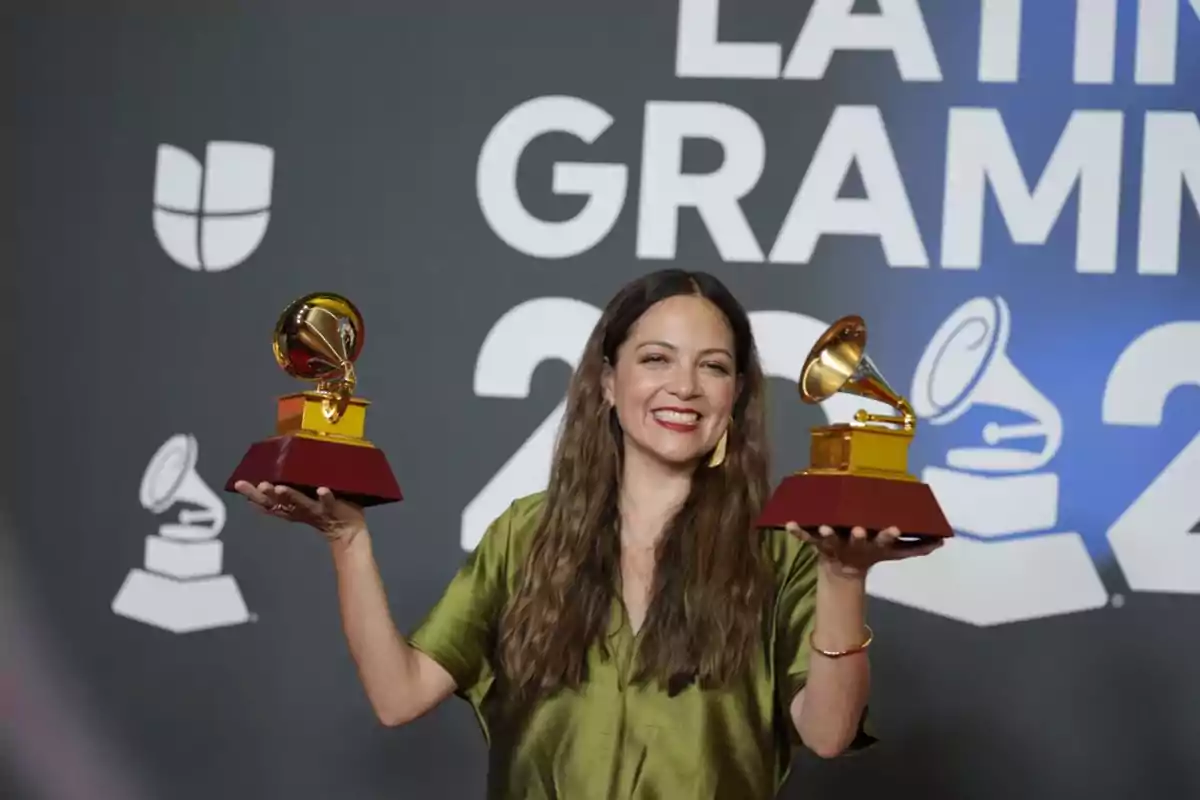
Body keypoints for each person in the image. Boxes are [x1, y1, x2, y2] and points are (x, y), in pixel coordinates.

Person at [235, 268, 943, 799]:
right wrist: (348, 541)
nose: (686, 387)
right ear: (607, 382)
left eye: (714, 367)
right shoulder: (526, 535)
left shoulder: (782, 554)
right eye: (656, 358)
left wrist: (845, 578)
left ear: (737, 398)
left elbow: (827, 732)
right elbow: (399, 696)